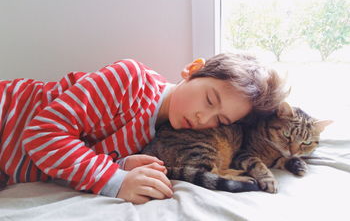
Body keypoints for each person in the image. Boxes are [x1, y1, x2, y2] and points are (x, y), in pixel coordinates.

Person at [0, 52, 288, 204]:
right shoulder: (131, 79)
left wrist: (122, 164)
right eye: (210, 99)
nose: (203, 119)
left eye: (220, 121)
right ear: (192, 69)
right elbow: (42, 134)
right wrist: (114, 180)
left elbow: (81, 151)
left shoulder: (162, 135)